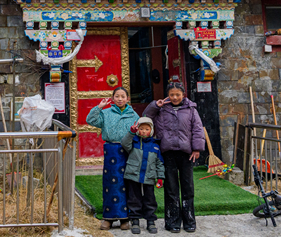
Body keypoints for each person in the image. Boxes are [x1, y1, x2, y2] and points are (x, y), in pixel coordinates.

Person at [143, 82, 205, 233]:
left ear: (183, 94)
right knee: (171, 189)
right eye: (172, 95)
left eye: (178, 94)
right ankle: (172, 222)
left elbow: (197, 129)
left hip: (186, 153)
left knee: (187, 188)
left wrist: (196, 148)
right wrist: (155, 105)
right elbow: (145, 118)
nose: (175, 97)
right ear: (168, 95)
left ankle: (189, 221)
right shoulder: (161, 109)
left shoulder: (191, 109)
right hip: (168, 153)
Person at [86, 87, 139, 230]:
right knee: (111, 183)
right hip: (111, 151)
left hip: (128, 151)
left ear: (128, 99)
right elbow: (90, 120)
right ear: (112, 98)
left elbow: (139, 132)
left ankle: (124, 218)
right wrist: (99, 107)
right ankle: (108, 218)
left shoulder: (133, 115)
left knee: (126, 183)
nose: (120, 99)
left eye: (123, 96)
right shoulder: (106, 113)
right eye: (117, 96)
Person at [121, 116, 165, 234]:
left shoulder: (155, 146)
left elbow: (159, 163)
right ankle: (135, 220)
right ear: (138, 130)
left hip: (149, 176)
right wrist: (131, 132)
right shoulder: (133, 142)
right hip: (133, 175)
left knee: (150, 199)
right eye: (141, 129)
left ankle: (150, 221)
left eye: (147, 129)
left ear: (151, 131)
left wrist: (160, 177)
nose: (144, 131)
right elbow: (124, 143)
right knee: (134, 198)